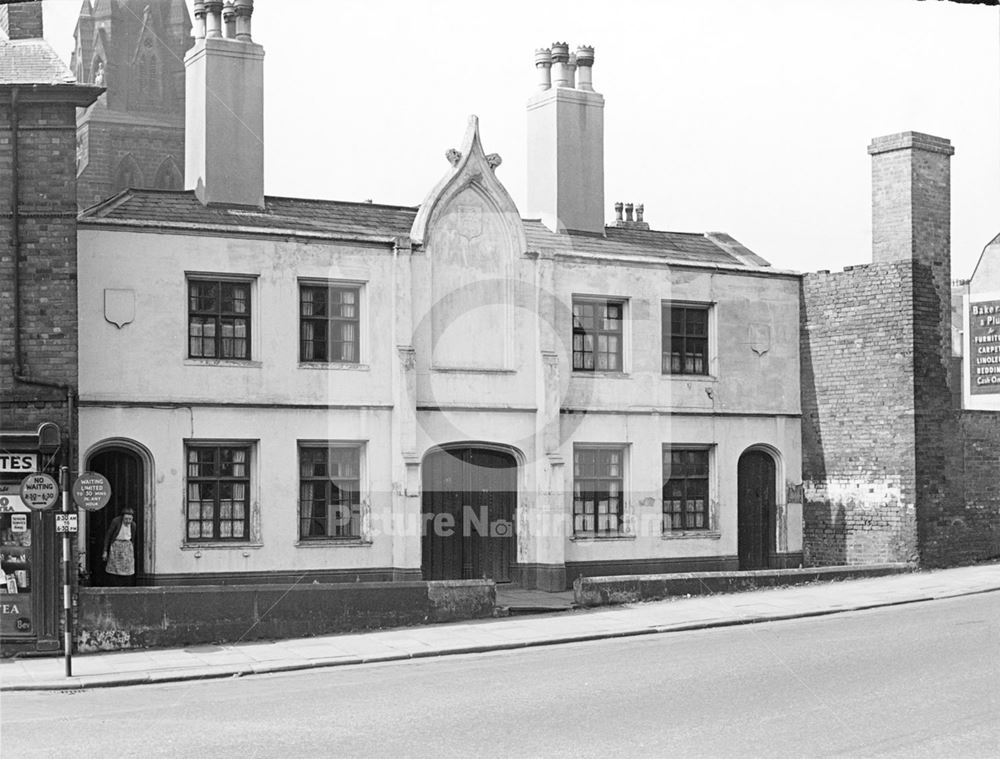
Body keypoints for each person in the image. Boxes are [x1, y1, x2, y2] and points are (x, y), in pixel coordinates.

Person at [102, 508, 136, 586]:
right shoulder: (116, 522)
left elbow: (132, 538)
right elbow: (108, 535)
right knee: (114, 568)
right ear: (122, 517)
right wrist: (105, 551)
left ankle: (125, 585)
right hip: (116, 546)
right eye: (126, 519)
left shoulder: (133, 525)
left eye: (130, 519)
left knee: (127, 568)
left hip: (127, 547)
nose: (128, 521)